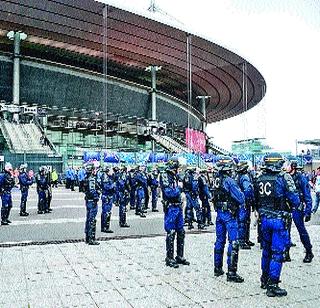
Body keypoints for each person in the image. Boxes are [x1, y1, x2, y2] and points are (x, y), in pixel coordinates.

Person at [254, 153, 300, 297]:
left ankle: (264, 279)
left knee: (266, 251)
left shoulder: (259, 178)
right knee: (277, 252)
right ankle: (273, 285)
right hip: (278, 220)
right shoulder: (284, 177)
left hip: (264, 220)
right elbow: (295, 199)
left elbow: (255, 199)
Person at [212, 156, 245, 283]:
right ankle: (231, 272)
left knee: (219, 240)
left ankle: (217, 268)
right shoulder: (229, 181)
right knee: (234, 242)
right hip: (229, 215)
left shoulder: (216, 179)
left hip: (219, 213)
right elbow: (241, 198)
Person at [160, 157, 189, 268]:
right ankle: (169, 258)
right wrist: (179, 189)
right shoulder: (165, 176)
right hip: (171, 207)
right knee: (171, 232)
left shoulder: (176, 176)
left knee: (181, 231)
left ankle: (179, 256)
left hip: (178, 207)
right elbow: (169, 193)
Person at [287, 160, 313, 263]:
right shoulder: (286, 177)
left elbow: (307, 195)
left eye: (288, 165)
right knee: (285, 231)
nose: (286, 167)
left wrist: (308, 211)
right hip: (287, 207)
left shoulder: (301, 178)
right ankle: (286, 252)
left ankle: (309, 251)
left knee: (301, 230)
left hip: (297, 208)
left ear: (292, 167)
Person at [236, 161, 255, 250]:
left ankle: (245, 239)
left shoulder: (237, 176)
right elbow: (247, 190)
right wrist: (248, 200)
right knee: (243, 221)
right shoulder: (244, 177)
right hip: (244, 203)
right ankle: (242, 241)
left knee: (245, 221)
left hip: (240, 202)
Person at [83, 162, 100, 245]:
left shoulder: (86, 178)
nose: (96, 170)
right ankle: (91, 239)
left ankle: (87, 237)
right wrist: (97, 196)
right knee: (92, 220)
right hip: (92, 201)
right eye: (94, 169)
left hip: (88, 200)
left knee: (88, 219)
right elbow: (92, 190)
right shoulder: (92, 179)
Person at [99, 165, 115, 233]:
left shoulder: (108, 176)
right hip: (107, 196)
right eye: (111, 170)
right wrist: (113, 185)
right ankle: (105, 227)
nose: (112, 172)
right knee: (106, 212)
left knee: (107, 212)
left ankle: (105, 227)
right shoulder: (105, 177)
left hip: (108, 196)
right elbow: (106, 187)